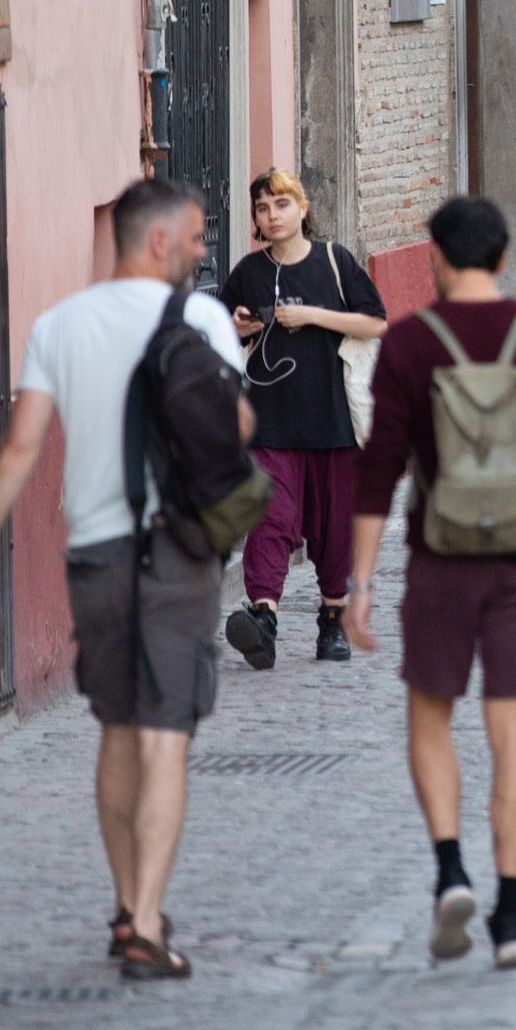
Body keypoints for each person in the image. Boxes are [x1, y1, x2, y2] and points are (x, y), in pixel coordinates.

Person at [0, 178, 253, 981]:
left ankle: (126, 905)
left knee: (119, 730)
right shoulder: (202, 320)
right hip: (179, 551)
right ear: (156, 241)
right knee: (165, 738)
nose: (199, 252)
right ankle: (148, 925)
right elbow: (241, 427)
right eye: (193, 238)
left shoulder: (60, 323)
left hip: (95, 556)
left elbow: (19, 448)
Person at [344, 196, 516, 969]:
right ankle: (511, 915)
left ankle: (448, 870)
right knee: (514, 733)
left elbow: (380, 470)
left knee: (430, 719)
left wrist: (360, 582)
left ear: (435, 257)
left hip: (439, 559)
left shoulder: (410, 343)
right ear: (503, 260)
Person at [217, 169, 388, 670]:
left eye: (281, 205)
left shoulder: (335, 262)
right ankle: (263, 616)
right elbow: (220, 327)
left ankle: (332, 619)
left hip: (334, 423)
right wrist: (239, 325)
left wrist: (312, 315)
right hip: (271, 421)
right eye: (263, 209)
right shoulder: (249, 271)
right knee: (270, 517)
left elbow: (375, 321)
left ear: (302, 208)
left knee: (335, 529)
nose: (273, 216)